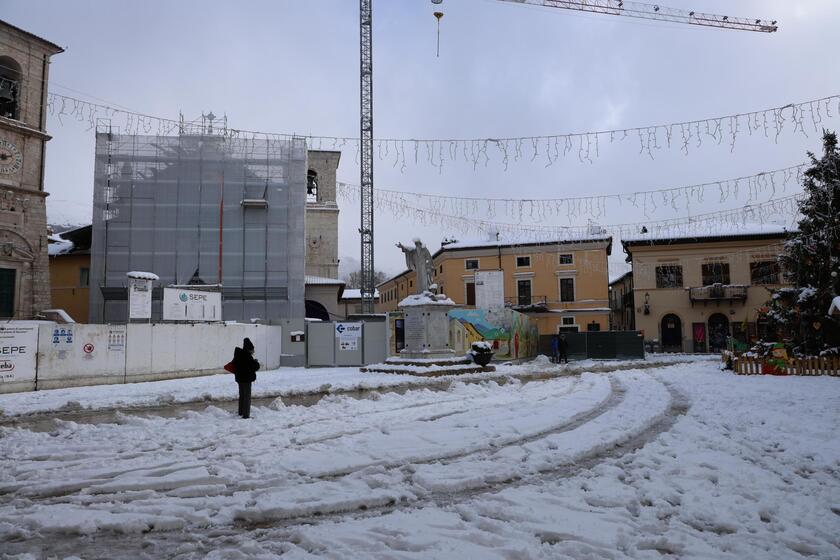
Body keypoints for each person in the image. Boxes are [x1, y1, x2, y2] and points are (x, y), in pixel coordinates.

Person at [232, 337, 260, 419]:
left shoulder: (239, 354)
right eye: (252, 350)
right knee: (247, 397)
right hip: (246, 379)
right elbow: (254, 367)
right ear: (249, 349)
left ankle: (241, 412)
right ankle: (246, 415)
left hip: (239, 378)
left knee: (242, 396)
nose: (253, 351)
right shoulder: (247, 356)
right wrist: (256, 362)